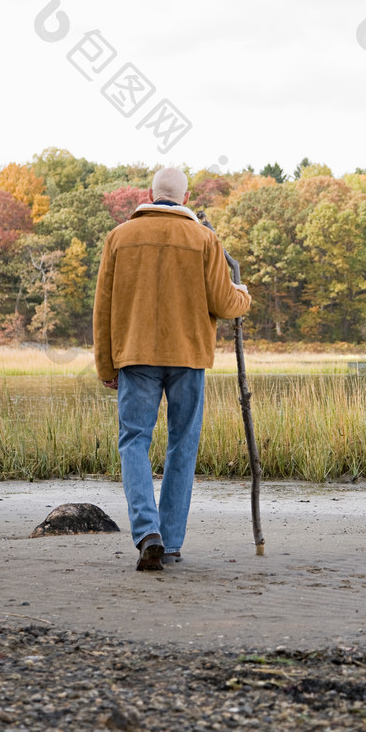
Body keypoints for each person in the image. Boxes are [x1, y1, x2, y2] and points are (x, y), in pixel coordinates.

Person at [93, 166, 251, 571]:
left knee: (133, 442)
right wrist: (244, 295)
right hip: (188, 356)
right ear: (185, 196)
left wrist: (105, 365)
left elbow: (103, 309)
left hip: (134, 355)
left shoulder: (119, 237)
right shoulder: (203, 237)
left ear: (151, 193)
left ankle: (148, 533)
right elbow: (223, 303)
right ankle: (173, 541)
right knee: (183, 444)